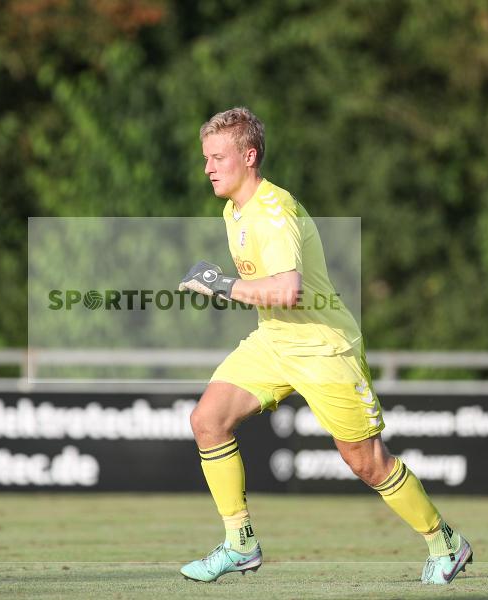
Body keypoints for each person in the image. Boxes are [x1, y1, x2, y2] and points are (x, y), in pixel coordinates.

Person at [177, 107, 472, 584]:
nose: (207, 168)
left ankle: (445, 542)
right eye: (206, 158)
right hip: (275, 342)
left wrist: (222, 285)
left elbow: (288, 290)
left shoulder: (274, 212)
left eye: (217, 158)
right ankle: (240, 543)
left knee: (366, 462)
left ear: (248, 156)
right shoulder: (233, 210)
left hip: (323, 347)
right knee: (207, 420)